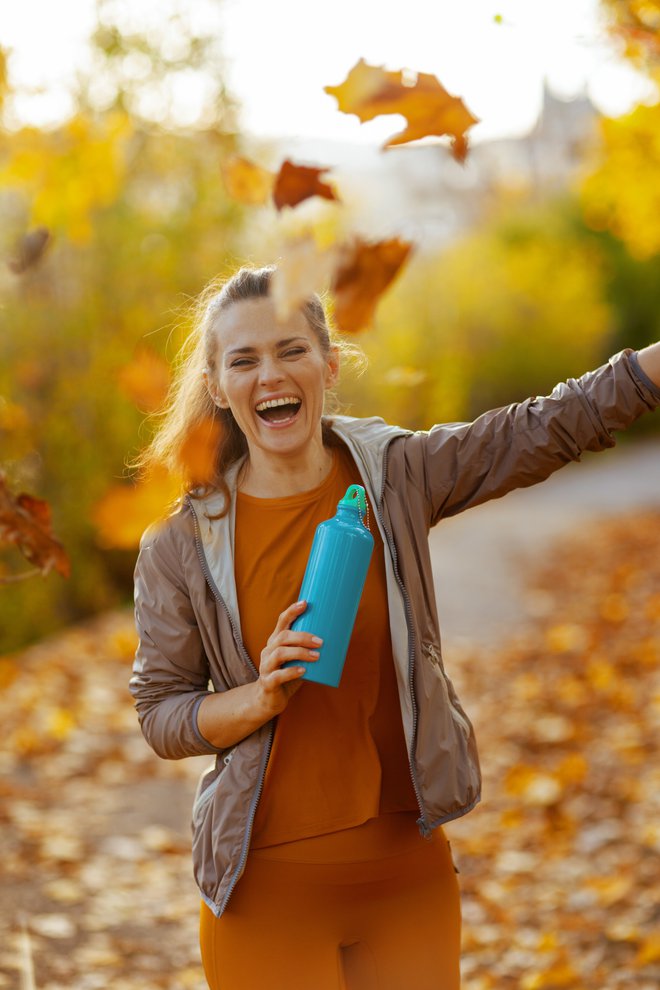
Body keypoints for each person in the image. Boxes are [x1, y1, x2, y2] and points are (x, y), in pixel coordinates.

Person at [130, 264, 660, 990]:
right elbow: (160, 712)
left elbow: (541, 428)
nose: (270, 375)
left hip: (407, 881)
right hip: (264, 896)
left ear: (328, 363)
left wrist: (649, 370)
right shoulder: (180, 546)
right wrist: (257, 695)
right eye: (243, 360)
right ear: (218, 386)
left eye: (291, 350)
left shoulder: (397, 478)